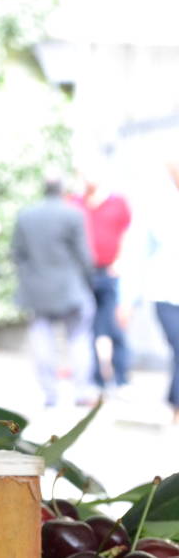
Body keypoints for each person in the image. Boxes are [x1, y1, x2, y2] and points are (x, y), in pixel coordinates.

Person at [11, 176, 97, 408]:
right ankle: (82, 392)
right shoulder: (73, 214)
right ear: (62, 190)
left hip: (37, 290)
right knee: (79, 337)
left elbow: (17, 254)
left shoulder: (26, 215)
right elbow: (86, 258)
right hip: (71, 288)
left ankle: (50, 393)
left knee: (42, 339)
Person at [117, 160, 179, 425]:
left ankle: (173, 400)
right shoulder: (159, 207)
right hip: (167, 294)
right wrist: (126, 299)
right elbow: (136, 254)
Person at [68, 163, 132, 391]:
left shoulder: (118, 203)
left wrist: (120, 261)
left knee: (114, 326)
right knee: (88, 328)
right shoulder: (74, 203)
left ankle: (122, 377)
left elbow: (127, 234)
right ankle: (96, 379)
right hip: (84, 274)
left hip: (109, 272)